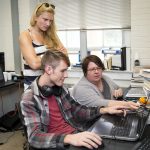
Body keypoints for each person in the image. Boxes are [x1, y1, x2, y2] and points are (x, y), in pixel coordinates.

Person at [20, 49, 133, 150]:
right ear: (49, 69)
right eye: (63, 70)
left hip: (76, 133)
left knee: (116, 143)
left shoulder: (60, 89)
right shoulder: (29, 98)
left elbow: (78, 110)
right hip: (58, 143)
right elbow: (34, 137)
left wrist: (104, 110)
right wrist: (69, 138)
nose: (67, 75)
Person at [19, 2, 67, 90]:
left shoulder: (52, 34)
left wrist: (39, 58)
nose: (48, 24)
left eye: (51, 21)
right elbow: (34, 64)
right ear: (36, 17)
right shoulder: (25, 35)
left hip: (52, 86)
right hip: (33, 88)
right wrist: (55, 54)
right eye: (45, 19)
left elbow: (65, 56)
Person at [72, 55, 139, 109]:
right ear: (85, 72)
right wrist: (126, 104)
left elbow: (118, 88)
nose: (96, 72)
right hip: (92, 122)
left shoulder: (104, 78)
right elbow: (100, 103)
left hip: (108, 117)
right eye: (92, 69)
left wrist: (119, 91)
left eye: (99, 68)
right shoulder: (81, 88)